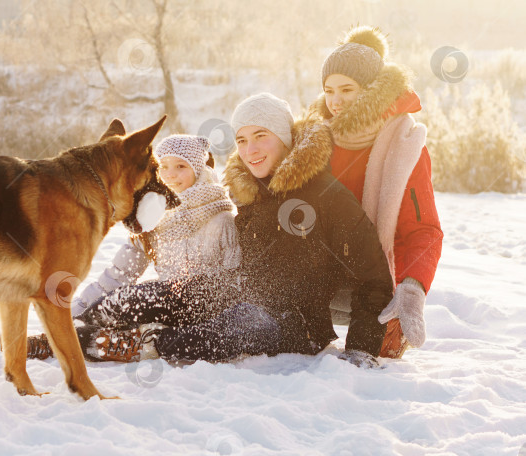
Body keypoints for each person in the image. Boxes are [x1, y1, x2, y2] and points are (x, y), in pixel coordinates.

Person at [25, 94, 394, 367]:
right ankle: (71, 332)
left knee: (236, 324)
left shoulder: (327, 194)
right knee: (152, 295)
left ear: (284, 137)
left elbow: (374, 276)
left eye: (261, 136)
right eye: (242, 140)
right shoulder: (249, 193)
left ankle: (143, 343)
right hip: (238, 291)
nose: (250, 150)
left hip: (296, 323)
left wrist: (361, 348)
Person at [5, 134, 241, 360]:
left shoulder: (222, 220)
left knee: (136, 297)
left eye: (181, 167)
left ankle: (81, 335)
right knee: (123, 299)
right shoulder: (152, 218)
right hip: (162, 305)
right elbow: (121, 274)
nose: (170, 175)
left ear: (198, 170)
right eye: (163, 167)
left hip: (203, 310)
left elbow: (234, 280)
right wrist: (75, 310)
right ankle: (65, 335)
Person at [311, 26, 444, 358]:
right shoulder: (317, 139)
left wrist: (412, 288)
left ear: (369, 90)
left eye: (346, 89)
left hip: (381, 279)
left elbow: (424, 229)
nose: (335, 101)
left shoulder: (405, 145)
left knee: (379, 353)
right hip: (325, 269)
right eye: (329, 90)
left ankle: (390, 322)